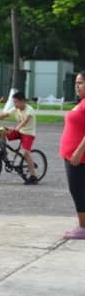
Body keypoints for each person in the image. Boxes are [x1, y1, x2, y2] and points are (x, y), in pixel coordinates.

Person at [60, 71, 85, 240]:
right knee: (78, 189)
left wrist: (79, 150)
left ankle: (83, 226)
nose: (77, 86)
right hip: (71, 155)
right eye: (76, 82)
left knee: (78, 190)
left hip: (78, 157)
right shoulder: (81, 103)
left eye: (81, 83)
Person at [0, 91, 38, 183]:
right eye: (14, 102)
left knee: (25, 153)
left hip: (28, 133)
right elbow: (5, 115)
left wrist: (16, 129)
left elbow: (25, 121)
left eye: (16, 102)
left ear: (23, 101)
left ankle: (33, 176)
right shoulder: (16, 109)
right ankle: (3, 152)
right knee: (2, 131)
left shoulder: (29, 110)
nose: (15, 104)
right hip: (19, 131)